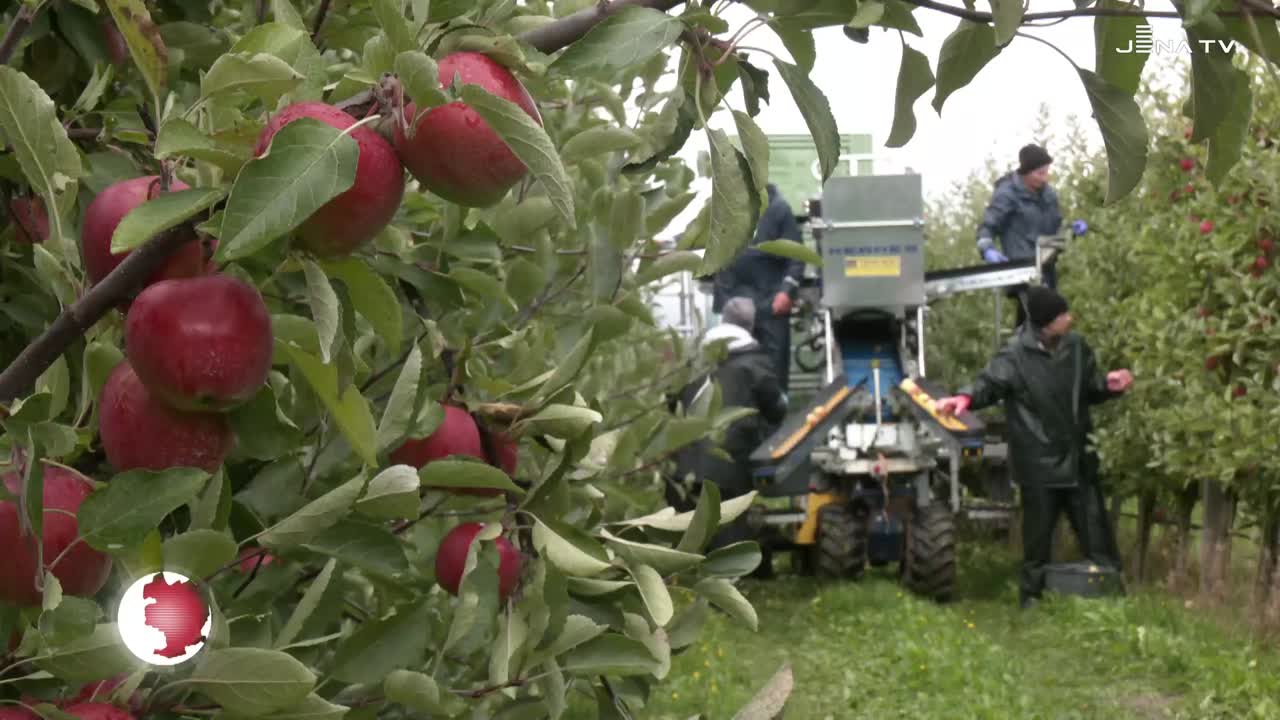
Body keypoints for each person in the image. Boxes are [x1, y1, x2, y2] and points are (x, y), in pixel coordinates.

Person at [934, 286, 1133, 609]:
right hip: (1038, 461)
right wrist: (964, 397)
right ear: (1046, 323)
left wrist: (1109, 385)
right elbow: (989, 384)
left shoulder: (1077, 347)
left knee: (1096, 533)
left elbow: (1091, 386)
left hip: (1078, 458)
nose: (1070, 318)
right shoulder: (1015, 355)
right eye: (1063, 315)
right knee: (1037, 539)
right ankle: (1032, 601)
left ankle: (1111, 595)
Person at [667, 297, 788, 576]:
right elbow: (776, 409)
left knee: (688, 525)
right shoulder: (754, 363)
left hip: (684, 461)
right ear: (750, 326)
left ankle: (681, 580)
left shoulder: (692, 359)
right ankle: (724, 586)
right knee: (728, 524)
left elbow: (670, 401)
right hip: (730, 460)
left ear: (722, 322)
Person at [712, 183, 804, 393]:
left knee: (774, 372)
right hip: (735, 307)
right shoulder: (725, 209)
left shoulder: (779, 209)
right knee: (736, 371)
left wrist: (787, 291)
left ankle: (777, 420)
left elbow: (797, 257)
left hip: (772, 304)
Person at [976, 143, 1064, 328]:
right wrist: (987, 248)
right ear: (1027, 173)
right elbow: (988, 225)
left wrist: (1074, 227)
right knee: (1036, 320)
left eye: (1047, 172)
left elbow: (1057, 226)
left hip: (1046, 268)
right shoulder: (1008, 194)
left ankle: (1030, 353)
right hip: (1022, 270)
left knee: (1050, 321)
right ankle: (1023, 353)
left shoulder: (1049, 195)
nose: (1045, 177)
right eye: (1040, 173)